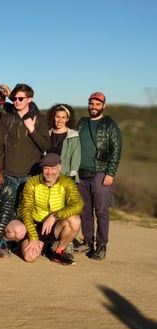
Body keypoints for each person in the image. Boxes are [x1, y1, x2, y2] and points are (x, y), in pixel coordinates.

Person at [74, 92, 122, 260]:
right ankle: (88, 241)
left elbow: (116, 150)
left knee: (101, 211)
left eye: (97, 104)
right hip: (81, 174)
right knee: (85, 211)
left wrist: (110, 173)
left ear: (103, 106)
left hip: (101, 173)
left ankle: (101, 245)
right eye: (91, 104)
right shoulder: (82, 123)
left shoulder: (110, 125)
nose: (93, 107)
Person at [18, 153, 83, 266]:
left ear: (60, 167)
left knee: (75, 220)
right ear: (42, 168)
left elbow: (78, 205)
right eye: (46, 168)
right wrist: (33, 237)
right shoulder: (32, 183)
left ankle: (58, 251)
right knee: (29, 257)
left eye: (53, 168)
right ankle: (45, 247)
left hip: (56, 225)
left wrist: (55, 216)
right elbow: (25, 210)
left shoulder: (67, 182)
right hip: (36, 226)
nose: (49, 172)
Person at [0, 83, 50, 198]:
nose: (17, 101)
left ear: (29, 99)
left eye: (21, 98)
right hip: (9, 175)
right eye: (14, 99)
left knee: (26, 207)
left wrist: (32, 130)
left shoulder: (40, 119)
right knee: (7, 207)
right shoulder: (6, 118)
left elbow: (46, 146)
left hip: (30, 175)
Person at [46, 104, 81, 181]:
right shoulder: (47, 134)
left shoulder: (73, 136)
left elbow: (76, 157)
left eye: (63, 117)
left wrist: (72, 175)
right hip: (49, 175)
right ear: (54, 117)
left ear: (67, 119)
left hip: (65, 176)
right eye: (58, 117)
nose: (60, 120)